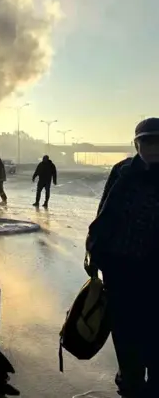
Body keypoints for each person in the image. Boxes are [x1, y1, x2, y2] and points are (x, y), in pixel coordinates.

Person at [85, 118, 159, 397]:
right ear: (137, 144)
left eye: (158, 141)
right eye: (146, 141)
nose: (152, 147)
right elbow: (105, 210)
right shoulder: (122, 171)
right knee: (125, 329)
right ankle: (130, 380)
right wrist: (94, 247)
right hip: (120, 266)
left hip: (155, 269)